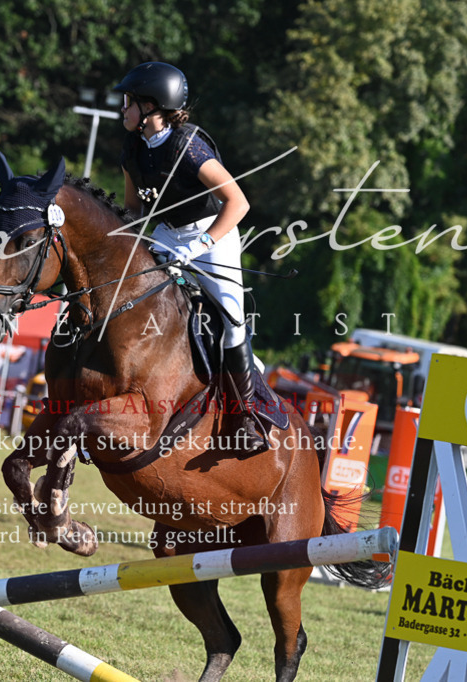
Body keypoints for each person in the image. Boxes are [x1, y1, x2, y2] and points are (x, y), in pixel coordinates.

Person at [113, 61, 286, 451]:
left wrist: (201, 244)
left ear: (151, 106)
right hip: (165, 234)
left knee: (232, 321)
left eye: (129, 101)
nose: (123, 108)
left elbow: (238, 202)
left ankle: (246, 417)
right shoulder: (132, 149)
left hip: (211, 234)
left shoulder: (187, 146)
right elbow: (132, 212)